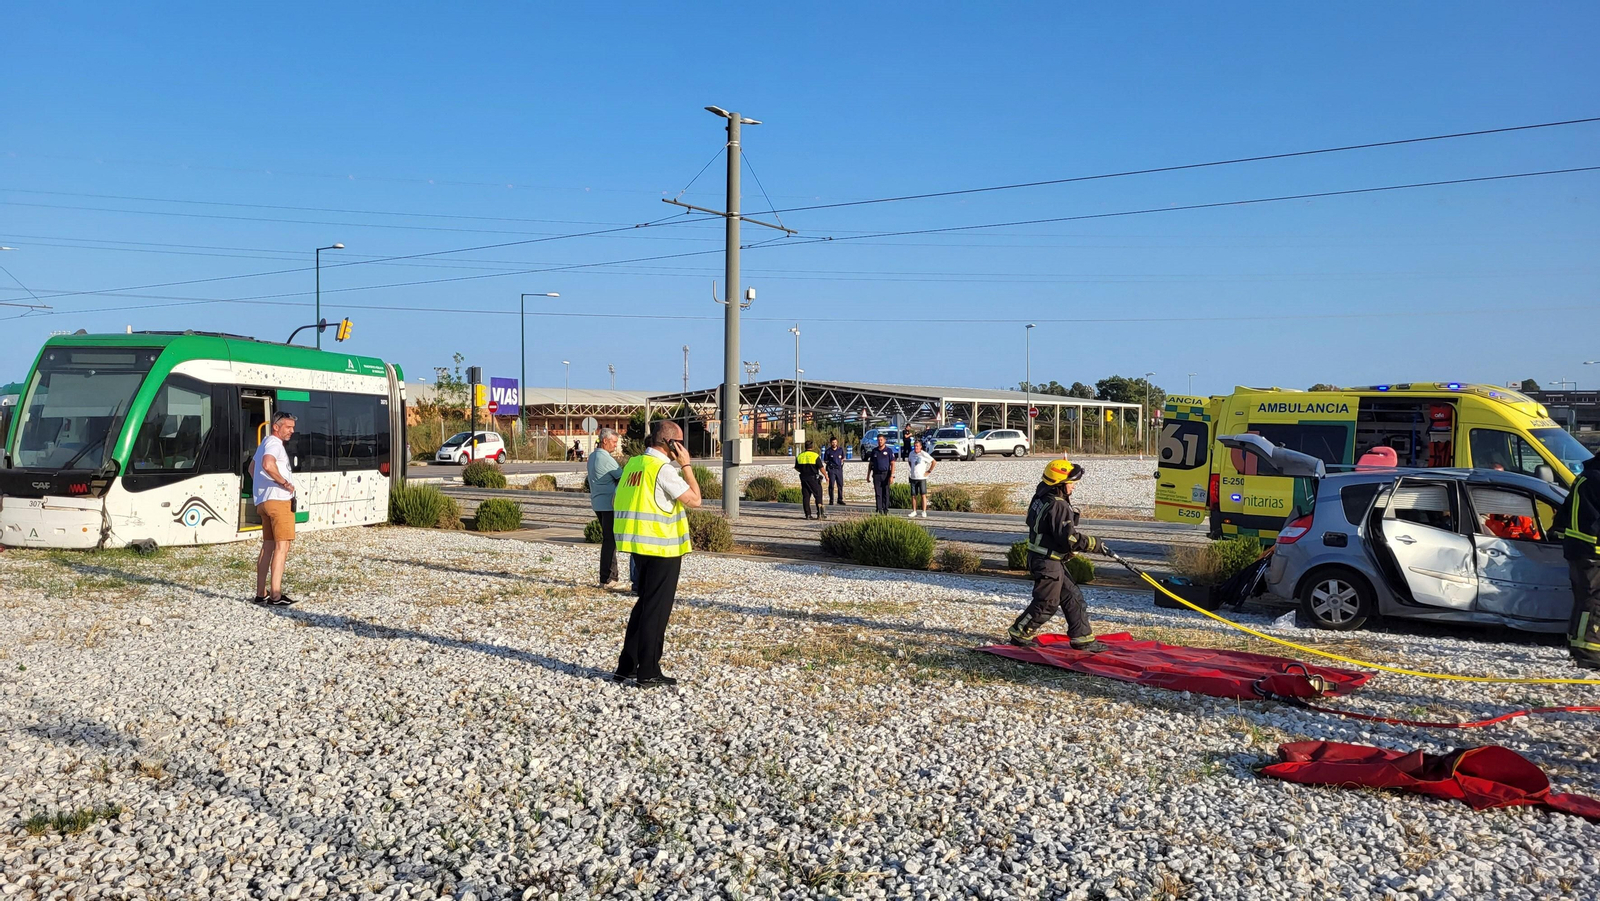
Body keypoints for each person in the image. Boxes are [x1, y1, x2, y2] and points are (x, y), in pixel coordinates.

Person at [612, 420, 702, 687]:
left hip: (638, 545)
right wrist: (686, 466)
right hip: (663, 547)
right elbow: (696, 500)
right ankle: (648, 670)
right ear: (671, 444)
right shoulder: (662, 469)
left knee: (643, 606)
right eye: (681, 442)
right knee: (656, 610)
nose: (684, 447)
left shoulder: (634, 465)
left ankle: (626, 666)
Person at [1007, 459, 1115, 652]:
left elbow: (1048, 530)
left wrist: (1064, 550)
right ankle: (1020, 632)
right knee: (1047, 603)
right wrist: (1095, 544)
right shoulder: (1058, 506)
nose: (1073, 486)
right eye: (1071, 482)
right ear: (1059, 484)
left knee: (1073, 597)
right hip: (1047, 562)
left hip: (1049, 559)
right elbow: (1070, 539)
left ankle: (1082, 639)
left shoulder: (1041, 496)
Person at [1556, 452, 1600, 669]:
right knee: (1593, 602)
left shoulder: (1586, 477)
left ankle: (1577, 645)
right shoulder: (1596, 479)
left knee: (1583, 600)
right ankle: (1588, 653)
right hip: (1593, 551)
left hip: (1580, 550)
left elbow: (1563, 517)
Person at [251, 411, 299, 606]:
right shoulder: (274, 444)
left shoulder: (263, 444)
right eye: (288, 427)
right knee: (282, 546)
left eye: (293, 427)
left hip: (264, 502)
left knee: (268, 546)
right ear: (276, 427)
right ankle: (276, 595)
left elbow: (252, 469)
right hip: (279, 502)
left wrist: (262, 487)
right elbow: (267, 464)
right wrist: (284, 483)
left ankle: (261, 592)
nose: (292, 431)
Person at [587, 427, 624, 588]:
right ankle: (608, 579)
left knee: (609, 540)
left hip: (597, 502)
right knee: (610, 541)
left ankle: (609, 577)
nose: (615, 445)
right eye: (614, 442)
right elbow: (622, 477)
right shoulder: (606, 458)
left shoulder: (592, 456)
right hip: (609, 504)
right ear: (605, 441)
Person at [866, 432, 897, 514]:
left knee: (885, 492)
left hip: (886, 474)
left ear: (884, 441)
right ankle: (879, 509)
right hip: (876, 474)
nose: (880, 441)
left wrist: (892, 476)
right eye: (878, 440)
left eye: (881, 440)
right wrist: (868, 475)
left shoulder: (889, 451)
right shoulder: (874, 451)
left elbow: (893, 463)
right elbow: (871, 464)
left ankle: (885, 509)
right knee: (878, 493)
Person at [794, 440, 826, 520]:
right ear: (812, 447)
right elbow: (821, 467)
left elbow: (797, 468)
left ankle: (808, 515)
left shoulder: (800, 456)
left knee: (806, 497)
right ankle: (820, 514)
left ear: (805, 446)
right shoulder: (815, 456)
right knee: (818, 495)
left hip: (804, 478)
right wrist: (826, 475)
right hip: (813, 479)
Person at [906, 439, 936, 518]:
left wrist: (929, 471)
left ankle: (924, 511)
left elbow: (934, 462)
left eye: (917, 446)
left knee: (923, 494)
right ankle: (914, 511)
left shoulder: (924, 454)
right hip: (913, 477)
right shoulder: (911, 454)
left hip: (922, 477)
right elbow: (909, 462)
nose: (916, 447)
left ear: (920, 447)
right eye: (915, 446)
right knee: (913, 495)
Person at [822, 436, 847, 506]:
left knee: (840, 485)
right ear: (830, 443)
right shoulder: (828, 451)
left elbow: (843, 458)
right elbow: (825, 460)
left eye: (835, 442)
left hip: (839, 469)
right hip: (831, 470)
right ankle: (831, 500)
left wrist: (840, 463)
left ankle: (840, 499)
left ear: (837, 442)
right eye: (833, 442)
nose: (834, 444)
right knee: (831, 486)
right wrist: (830, 465)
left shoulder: (840, 450)